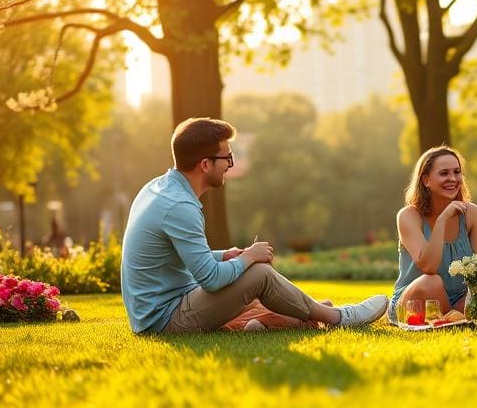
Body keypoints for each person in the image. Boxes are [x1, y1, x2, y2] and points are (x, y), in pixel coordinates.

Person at [121, 117, 387, 335]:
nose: (230, 165)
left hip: (167, 307)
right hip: (163, 321)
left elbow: (176, 256)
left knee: (261, 299)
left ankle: (271, 321)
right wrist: (249, 257)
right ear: (205, 164)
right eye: (226, 158)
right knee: (259, 275)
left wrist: (225, 255)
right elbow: (211, 279)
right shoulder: (180, 207)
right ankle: (338, 317)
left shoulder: (159, 189)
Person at [390, 146, 477, 323]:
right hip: (417, 299)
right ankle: (455, 320)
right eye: (444, 173)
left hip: (460, 299)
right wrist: (443, 219)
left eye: (457, 172)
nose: (453, 179)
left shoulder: (472, 213)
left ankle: (451, 319)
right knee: (431, 282)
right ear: (426, 180)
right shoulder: (408, 216)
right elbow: (429, 267)